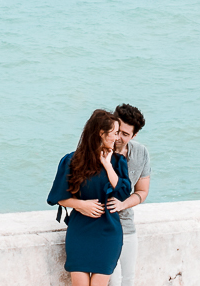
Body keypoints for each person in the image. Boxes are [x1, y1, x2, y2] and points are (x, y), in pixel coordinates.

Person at [48, 109, 133, 286]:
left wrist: (107, 165)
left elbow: (124, 192)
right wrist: (81, 205)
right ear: (101, 133)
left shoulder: (118, 162)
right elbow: (58, 197)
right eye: (115, 132)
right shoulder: (71, 161)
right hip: (80, 230)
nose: (118, 137)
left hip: (108, 232)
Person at [107, 104, 150, 286]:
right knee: (114, 280)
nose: (118, 137)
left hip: (126, 222)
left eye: (125, 134)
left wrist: (122, 205)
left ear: (134, 135)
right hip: (103, 224)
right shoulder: (99, 149)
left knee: (128, 279)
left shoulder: (140, 153)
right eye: (117, 131)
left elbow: (142, 191)